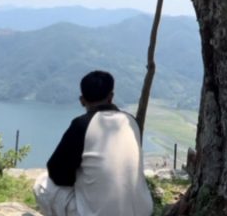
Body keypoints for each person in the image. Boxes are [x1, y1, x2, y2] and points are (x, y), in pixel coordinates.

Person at [33, 70, 154, 216]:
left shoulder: (82, 125)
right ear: (111, 97)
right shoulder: (131, 121)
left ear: (82, 100)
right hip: (143, 211)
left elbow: (57, 173)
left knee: (42, 185)